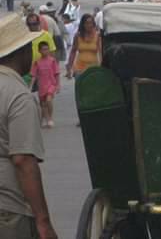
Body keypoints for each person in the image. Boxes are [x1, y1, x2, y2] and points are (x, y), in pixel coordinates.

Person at [0, 13, 59, 239]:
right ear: (21, 52)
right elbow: (23, 160)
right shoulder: (18, 96)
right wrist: (43, 221)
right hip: (8, 207)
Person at [30, 43, 59, 129]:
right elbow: (34, 75)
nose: (45, 51)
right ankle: (45, 118)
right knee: (43, 104)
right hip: (42, 86)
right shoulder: (37, 62)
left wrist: (58, 85)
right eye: (43, 49)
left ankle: (49, 119)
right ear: (39, 51)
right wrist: (30, 86)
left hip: (51, 84)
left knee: (48, 101)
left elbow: (57, 74)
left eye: (47, 49)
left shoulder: (52, 61)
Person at [66, 14, 102, 79]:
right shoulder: (77, 36)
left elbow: (101, 53)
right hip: (79, 69)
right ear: (83, 24)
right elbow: (73, 52)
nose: (89, 25)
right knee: (80, 88)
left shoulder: (98, 36)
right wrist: (69, 67)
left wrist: (102, 68)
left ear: (93, 24)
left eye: (91, 23)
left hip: (93, 69)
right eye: (87, 23)